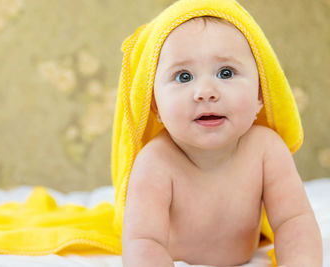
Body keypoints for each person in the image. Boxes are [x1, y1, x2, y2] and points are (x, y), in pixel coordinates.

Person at [119, 2, 323, 267]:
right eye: (183, 76)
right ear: (155, 106)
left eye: (226, 72)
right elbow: (143, 241)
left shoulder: (266, 149)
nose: (205, 91)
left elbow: (294, 220)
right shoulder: (155, 161)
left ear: (260, 95)